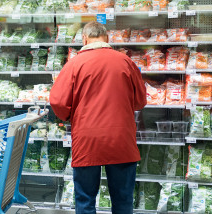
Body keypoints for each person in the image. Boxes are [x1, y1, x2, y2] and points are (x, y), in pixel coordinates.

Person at [49, 21, 147, 214]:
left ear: (84, 39)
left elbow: (58, 101)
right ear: (107, 39)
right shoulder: (124, 61)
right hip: (121, 138)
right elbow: (140, 100)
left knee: (85, 200)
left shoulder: (74, 63)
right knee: (123, 200)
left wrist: (70, 116)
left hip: (87, 139)